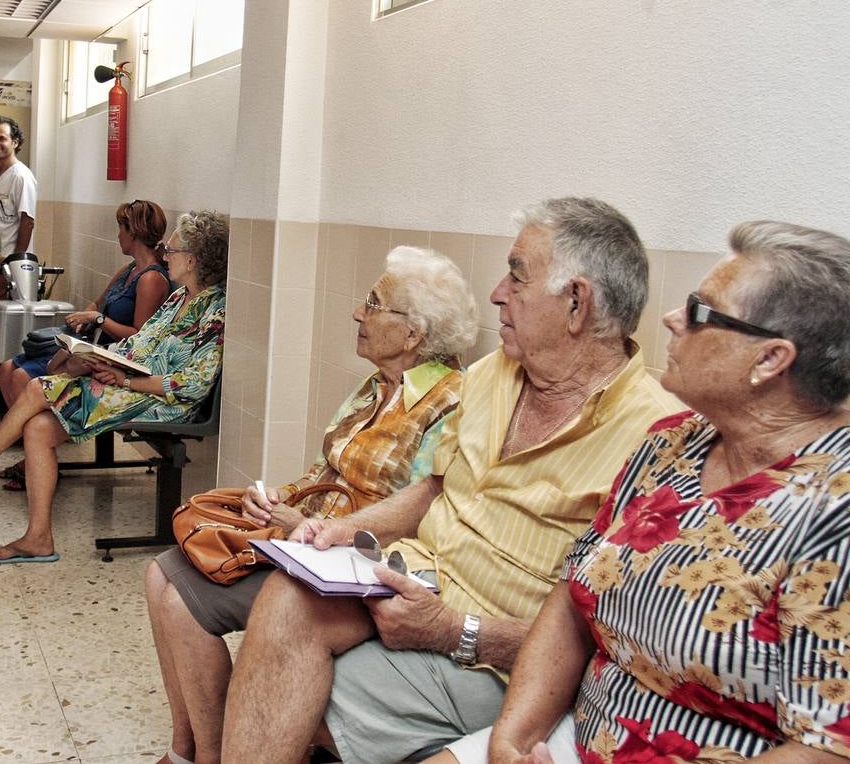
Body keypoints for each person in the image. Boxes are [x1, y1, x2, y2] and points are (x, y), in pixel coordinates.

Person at [219, 198, 679, 764]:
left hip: (496, 654)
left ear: (576, 303)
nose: (496, 294)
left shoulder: (655, 438)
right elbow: (437, 486)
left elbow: (605, 637)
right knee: (285, 599)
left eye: (516, 274)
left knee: (287, 688)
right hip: (410, 581)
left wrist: (452, 630)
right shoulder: (492, 375)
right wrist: (347, 530)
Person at [441, 222, 850, 764]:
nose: (672, 319)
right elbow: (572, 597)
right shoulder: (672, 443)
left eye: (700, 311)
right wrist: (512, 741)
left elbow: (838, 749)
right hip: (579, 735)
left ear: (770, 359)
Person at [147, 245, 478, 764]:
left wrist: (310, 522)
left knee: (177, 602)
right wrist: (279, 496)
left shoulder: (450, 403)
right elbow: (330, 469)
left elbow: (423, 519)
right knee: (158, 575)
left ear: (414, 333)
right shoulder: (375, 387)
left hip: (352, 567)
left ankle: (209, 754)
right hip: (309, 543)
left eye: (373, 303)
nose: (357, 313)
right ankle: (188, 748)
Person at [0, 210, 229, 565]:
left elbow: (192, 385)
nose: (165, 254)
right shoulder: (177, 298)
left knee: (37, 388)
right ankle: (38, 539)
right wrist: (102, 359)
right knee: (38, 428)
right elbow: (140, 344)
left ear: (193, 258)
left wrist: (125, 378)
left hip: (161, 399)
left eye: (171, 250)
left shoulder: (214, 310)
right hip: (130, 384)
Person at [0, 198, 171, 490]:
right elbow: (98, 302)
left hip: (112, 356)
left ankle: (39, 461)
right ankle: (36, 458)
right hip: (90, 342)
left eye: (121, 228)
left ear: (135, 232)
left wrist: (99, 320)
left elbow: (139, 335)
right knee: (5, 369)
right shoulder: (129, 270)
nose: (118, 235)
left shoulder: (151, 279)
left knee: (21, 378)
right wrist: (85, 317)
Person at [0, 115, 36, 256]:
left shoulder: (21, 176)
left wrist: (16, 259)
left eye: (2, 138)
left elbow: (27, 222)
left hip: (8, 260)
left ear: (15, 143)